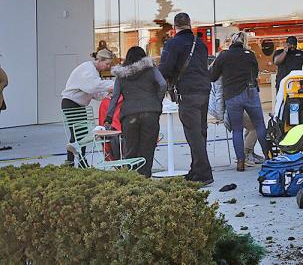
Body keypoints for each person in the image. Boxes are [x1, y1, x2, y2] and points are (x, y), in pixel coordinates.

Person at [158, 12, 214, 186]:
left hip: (187, 92)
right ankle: (196, 170)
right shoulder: (201, 44)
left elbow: (165, 69)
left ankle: (204, 174)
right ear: (190, 24)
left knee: (193, 133)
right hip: (204, 90)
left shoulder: (173, 44)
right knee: (201, 131)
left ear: (175, 27)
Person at [211, 32, 270, 172]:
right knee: (260, 125)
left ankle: (240, 162)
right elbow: (255, 74)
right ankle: (269, 158)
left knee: (236, 130)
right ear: (244, 42)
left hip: (232, 96)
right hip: (250, 93)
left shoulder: (224, 56)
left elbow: (212, 76)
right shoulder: (250, 55)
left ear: (231, 41)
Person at [104, 47, 167, 177]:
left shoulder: (121, 75)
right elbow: (163, 84)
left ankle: (133, 179)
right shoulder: (151, 69)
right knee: (148, 147)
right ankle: (145, 177)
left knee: (131, 149)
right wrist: (157, 101)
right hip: (151, 112)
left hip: (129, 115)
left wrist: (109, 117)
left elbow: (115, 96)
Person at [61, 49, 117, 165]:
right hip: (71, 103)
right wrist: (114, 85)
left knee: (79, 134)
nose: (108, 67)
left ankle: (74, 162)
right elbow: (93, 86)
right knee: (79, 134)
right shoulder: (87, 69)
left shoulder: (93, 72)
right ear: (99, 60)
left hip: (77, 104)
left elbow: (94, 92)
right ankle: (79, 162)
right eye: (107, 63)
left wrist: (107, 94)